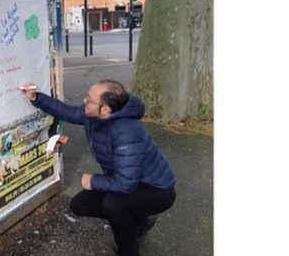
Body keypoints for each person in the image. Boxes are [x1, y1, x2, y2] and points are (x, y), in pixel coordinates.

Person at [20, 80, 176, 256]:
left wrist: (94, 181)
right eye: (87, 95)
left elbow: (125, 184)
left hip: (156, 190)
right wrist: (35, 97)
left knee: (113, 205)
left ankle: (128, 249)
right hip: (127, 180)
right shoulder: (93, 115)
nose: (85, 100)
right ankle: (140, 220)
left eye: (89, 99)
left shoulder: (127, 133)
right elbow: (67, 111)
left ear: (106, 110)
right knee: (79, 205)